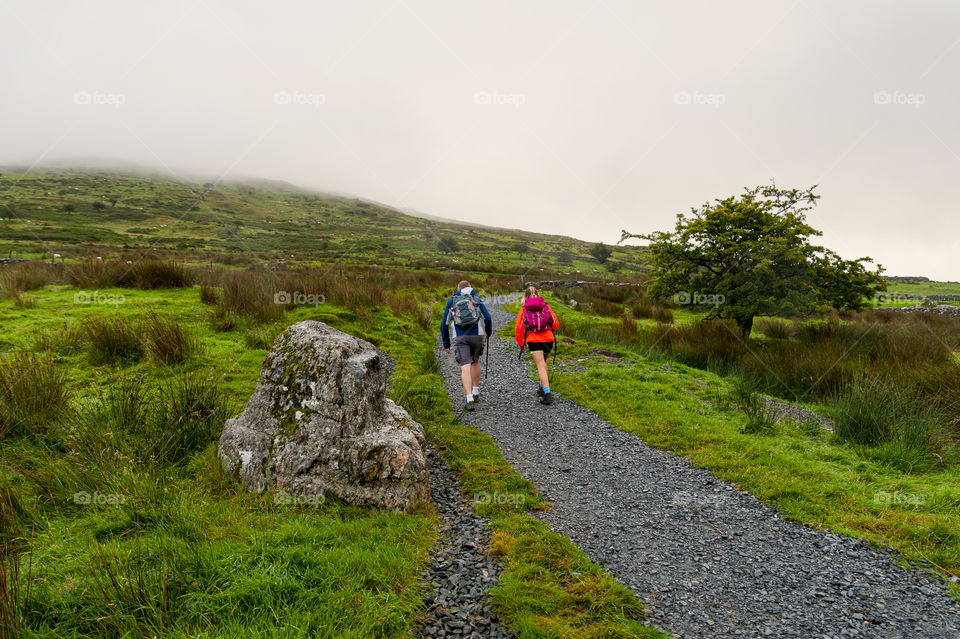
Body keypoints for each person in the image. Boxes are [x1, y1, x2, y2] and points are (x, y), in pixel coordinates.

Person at [441, 280, 493, 411]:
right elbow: (487, 317)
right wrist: (488, 331)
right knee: (475, 362)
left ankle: (469, 399)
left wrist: (446, 344)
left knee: (465, 366)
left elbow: (444, 325)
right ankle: (476, 391)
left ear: (458, 289)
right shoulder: (476, 299)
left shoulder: (452, 301)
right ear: (470, 288)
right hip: (477, 335)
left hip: (460, 337)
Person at [515, 286, 559, 405]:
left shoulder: (524, 308)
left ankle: (547, 394)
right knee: (544, 363)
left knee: (540, 365)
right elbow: (555, 323)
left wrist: (520, 343)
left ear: (525, 296)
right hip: (548, 338)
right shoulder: (546, 306)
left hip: (533, 339)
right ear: (538, 294)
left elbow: (519, 328)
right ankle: (541, 387)